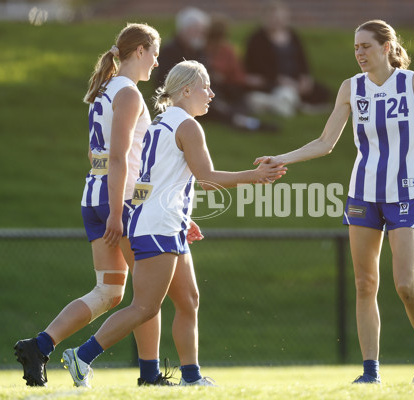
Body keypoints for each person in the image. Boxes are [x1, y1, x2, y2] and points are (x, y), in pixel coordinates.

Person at [254, 20, 414, 384]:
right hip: (362, 195)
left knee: (404, 284)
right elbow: (325, 142)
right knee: (365, 284)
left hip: (405, 193)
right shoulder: (350, 89)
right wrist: (281, 159)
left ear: (387, 47)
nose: (359, 54)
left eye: (366, 46)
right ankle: (370, 372)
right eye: (355, 47)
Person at [60, 60, 287, 388]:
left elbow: (147, 182)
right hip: (158, 226)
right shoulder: (187, 126)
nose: (211, 93)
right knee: (145, 306)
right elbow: (207, 179)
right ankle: (82, 355)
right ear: (185, 90)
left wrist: (181, 216)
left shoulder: (162, 122)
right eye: (205, 87)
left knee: (188, 300)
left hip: (163, 222)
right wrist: (255, 176)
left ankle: (191, 377)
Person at [14, 23, 201, 388]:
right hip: (122, 200)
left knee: (111, 292)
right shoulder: (128, 93)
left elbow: (97, 155)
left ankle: (39, 345)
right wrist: (119, 212)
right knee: (148, 298)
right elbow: (119, 159)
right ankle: (149, 375)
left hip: (94, 196)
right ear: (140, 51)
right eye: (155, 53)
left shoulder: (104, 90)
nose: (157, 61)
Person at [244, 1, 331, 117]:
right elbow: (258, 65)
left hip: (295, 80)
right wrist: (279, 79)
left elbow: (303, 60)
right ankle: (295, 105)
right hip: (271, 81)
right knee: (283, 92)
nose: (277, 20)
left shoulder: (293, 35)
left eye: (280, 17)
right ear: (265, 18)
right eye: (273, 17)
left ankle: (295, 104)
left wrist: (305, 77)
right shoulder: (257, 39)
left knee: (323, 92)